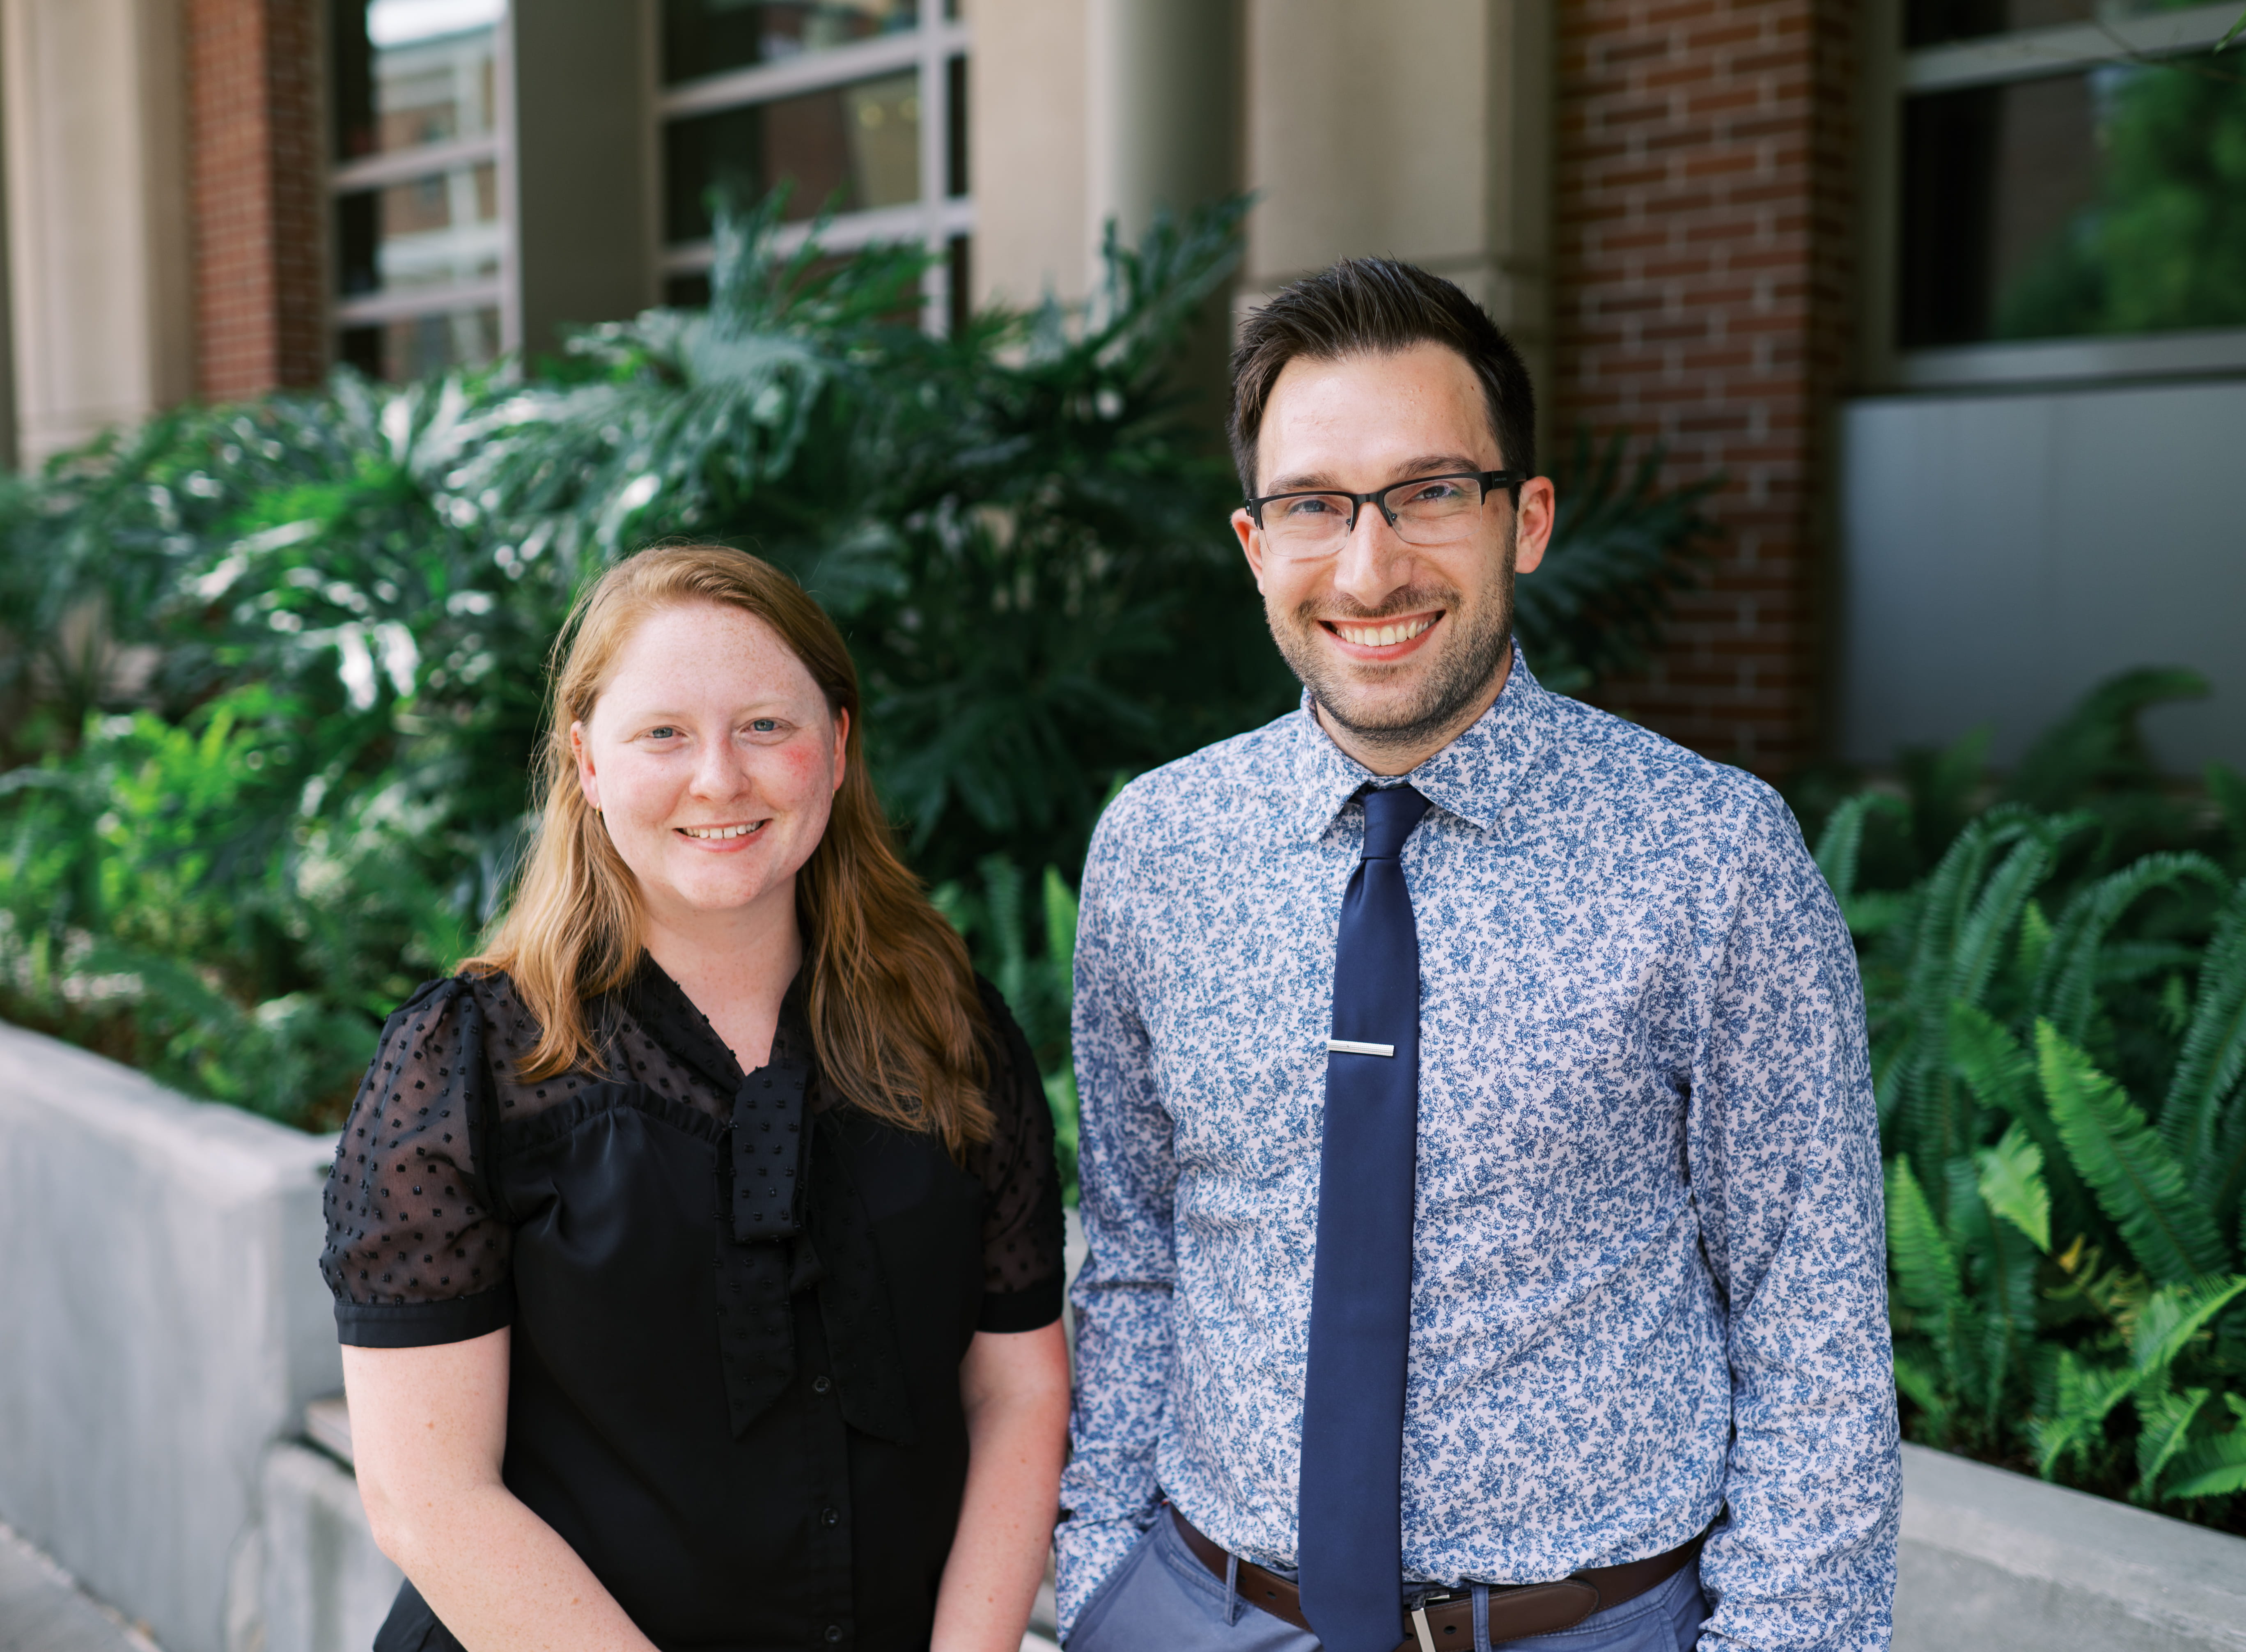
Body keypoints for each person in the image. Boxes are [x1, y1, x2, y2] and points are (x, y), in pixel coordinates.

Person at [1054, 259, 1899, 1652]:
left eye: (1431, 492)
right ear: (1255, 544)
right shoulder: (1157, 850)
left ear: (1527, 520)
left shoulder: (1711, 858)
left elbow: (1812, 1327)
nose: (1369, 565)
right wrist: (1103, 1583)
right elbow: (1138, 1255)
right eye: (1314, 506)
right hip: (1198, 1615)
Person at [320, 544, 1070, 1652]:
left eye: (766, 724)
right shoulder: (465, 1065)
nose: (719, 777)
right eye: (662, 733)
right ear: (584, 760)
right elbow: (426, 1499)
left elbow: (1016, 1395)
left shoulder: (953, 1034)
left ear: (837, 745)